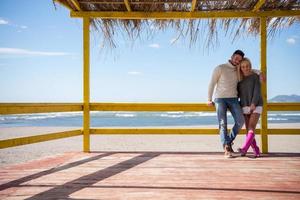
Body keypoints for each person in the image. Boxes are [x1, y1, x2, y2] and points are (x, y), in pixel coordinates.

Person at [207, 50, 245, 158]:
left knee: (240, 121)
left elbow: (250, 70)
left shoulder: (238, 70)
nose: (237, 61)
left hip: (233, 99)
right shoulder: (220, 68)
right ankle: (227, 149)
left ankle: (227, 142)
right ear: (232, 56)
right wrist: (209, 99)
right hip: (220, 99)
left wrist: (260, 73)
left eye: (239, 60)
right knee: (223, 124)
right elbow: (212, 83)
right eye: (236, 58)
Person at [237, 58, 262, 158]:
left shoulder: (255, 76)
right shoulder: (239, 79)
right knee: (248, 130)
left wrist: (253, 103)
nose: (245, 68)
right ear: (240, 68)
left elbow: (257, 91)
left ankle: (244, 149)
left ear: (250, 66)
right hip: (244, 106)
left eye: (247, 66)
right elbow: (237, 94)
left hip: (256, 105)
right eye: (243, 66)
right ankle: (256, 149)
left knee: (251, 127)